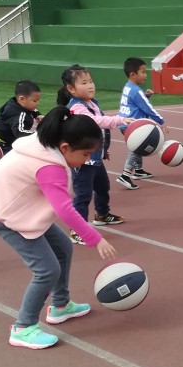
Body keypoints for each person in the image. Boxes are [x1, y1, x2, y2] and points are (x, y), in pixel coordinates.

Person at [0, 107, 118, 349]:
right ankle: (23, 327)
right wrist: (96, 239)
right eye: (85, 154)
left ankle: (60, 305)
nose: (86, 159)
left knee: (63, 248)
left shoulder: (46, 143)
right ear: (65, 147)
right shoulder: (49, 166)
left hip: (19, 208)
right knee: (46, 271)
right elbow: (65, 209)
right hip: (7, 217)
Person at [59, 65, 128, 244]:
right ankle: (77, 230)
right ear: (71, 89)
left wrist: (104, 151)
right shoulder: (76, 107)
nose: (90, 85)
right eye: (84, 83)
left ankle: (102, 214)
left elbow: (99, 132)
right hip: (82, 161)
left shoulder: (91, 103)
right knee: (83, 195)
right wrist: (119, 120)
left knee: (103, 186)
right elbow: (95, 122)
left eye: (90, 81)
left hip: (95, 157)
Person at [116, 57, 167, 191]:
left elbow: (135, 103)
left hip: (125, 124)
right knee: (136, 148)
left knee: (139, 145)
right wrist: (161, 121)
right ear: (133, 74)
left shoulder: (128, 87)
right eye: (143, 72)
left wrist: (146, 96)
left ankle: (138, 170)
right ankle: (125, 175)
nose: (146, 75)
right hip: (133, 126)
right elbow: (148, 108)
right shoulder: (136, 91)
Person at [0, 80, 42, 153]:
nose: (38, 103)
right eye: (35, 101)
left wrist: (37, 114)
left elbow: (31, 108)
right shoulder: (18, 114)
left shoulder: (15, 102)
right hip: (1, 142)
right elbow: (20, 132)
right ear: (21, 99)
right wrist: (40, 134)